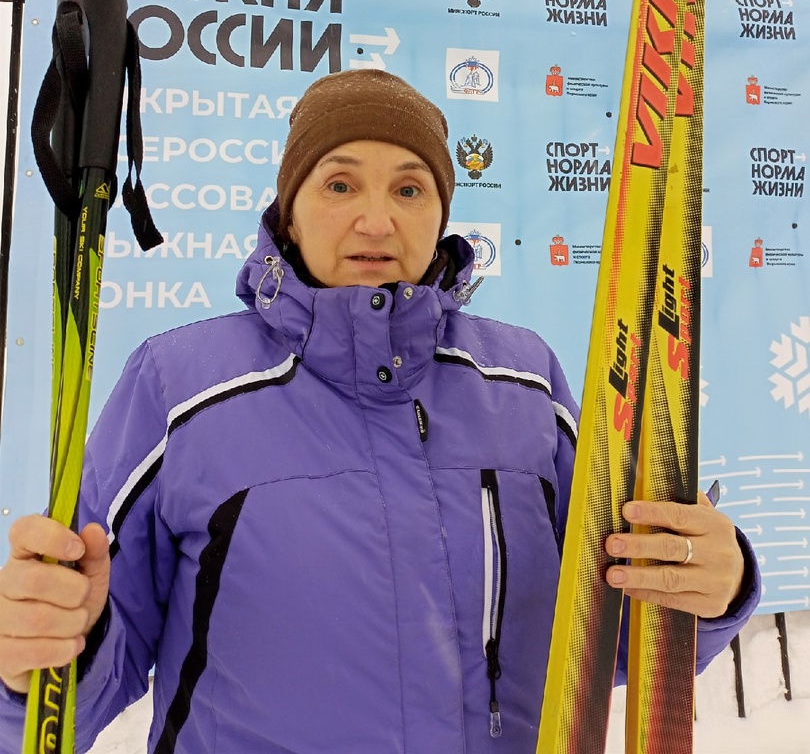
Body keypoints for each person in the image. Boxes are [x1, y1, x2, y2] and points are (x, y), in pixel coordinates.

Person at [0, 70, 759, 753]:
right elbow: (95, 665)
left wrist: (708, 588)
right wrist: (36, 661)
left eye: (409, 189)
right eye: (339, 185)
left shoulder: (523, 382)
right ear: (288, 215)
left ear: (441, 215)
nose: (376, 220)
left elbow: (605, 639)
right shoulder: (180, 388)